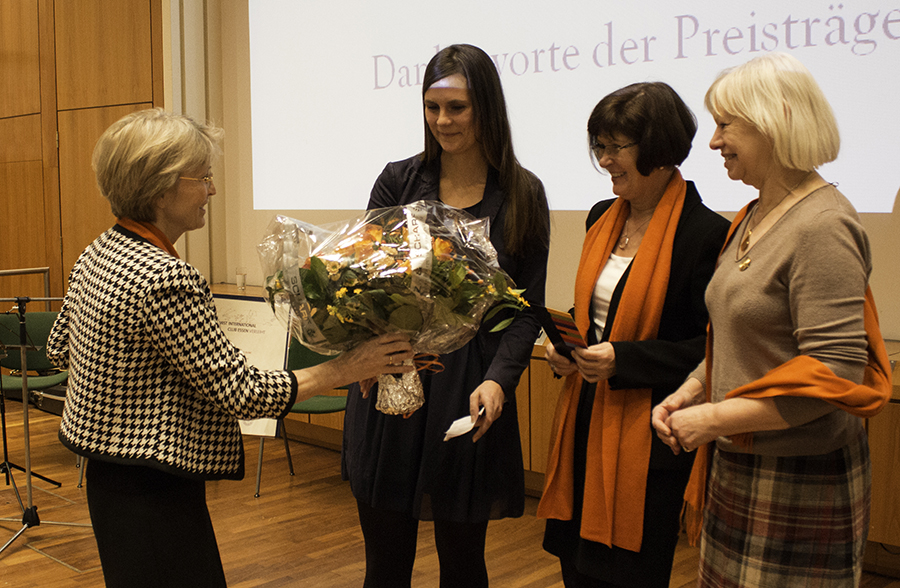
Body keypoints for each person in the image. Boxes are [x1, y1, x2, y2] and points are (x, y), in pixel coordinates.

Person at [45, 108, 414, 588]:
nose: (213, 190)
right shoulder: (166, 277)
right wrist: (348, 366)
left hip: (109, 476)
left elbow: (59, 348)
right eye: (203, 178)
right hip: (155, 485)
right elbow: (244, 394)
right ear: (160, 189)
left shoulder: (99, 251)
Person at [651, 53, 892, 587]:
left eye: (725, 124)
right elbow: (736, 339)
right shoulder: (753, 214)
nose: (713, 142)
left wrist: (713, 420)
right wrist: (690, 392)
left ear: (774, 121)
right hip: (742, 458)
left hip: (801, 473)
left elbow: (835, 374)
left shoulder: (823, 225)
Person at [341, 44, 550, 588]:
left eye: (457, 107)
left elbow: (525, 310)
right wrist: (363, 352)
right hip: (394, 383)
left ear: (486, 108)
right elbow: (366, 282)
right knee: (385, 565)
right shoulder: (397, 180)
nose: (442, 121)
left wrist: (499, 380)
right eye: (432, 107)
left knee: (463, 564)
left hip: (469, 388)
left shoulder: (523, 194)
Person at [537, 82, 730, 588]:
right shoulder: (602, 217)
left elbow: (711, 348)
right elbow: (597, 313)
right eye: (599, 146)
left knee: (626, 575)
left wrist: (623, 360)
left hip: (648, 439)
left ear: (660, 150)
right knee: (575, 569)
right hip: (584, 422)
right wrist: (566, 347)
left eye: (616, 147)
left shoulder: (705, 234)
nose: (604, 160)